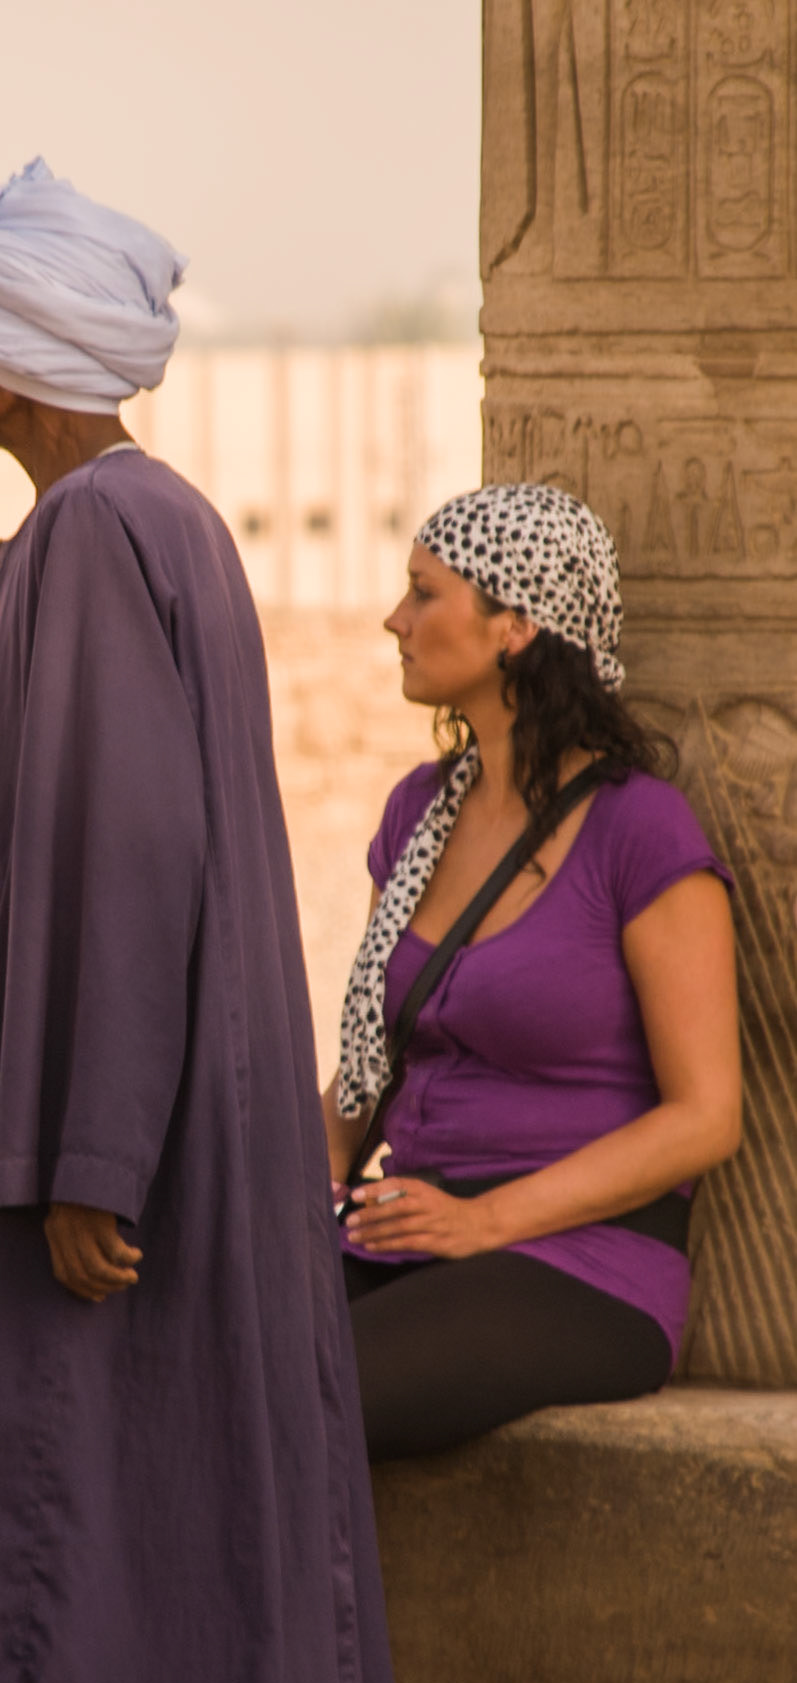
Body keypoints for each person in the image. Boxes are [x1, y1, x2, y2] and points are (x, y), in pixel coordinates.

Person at [0, 159, 427, 1683]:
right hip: (142, 1116)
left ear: (24, 356)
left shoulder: (105, 537)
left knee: (16, 1503)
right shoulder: (127, 524)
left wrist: (91, 1156)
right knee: (145, 1525)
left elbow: (128, 865)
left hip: (124, 1138)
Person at [324, 483, 742, 1464]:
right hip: (408, 1229)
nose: (395, 618)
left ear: (513, 625)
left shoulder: (639, 830)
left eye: (422, 594)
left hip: (580, 1263)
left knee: (304, 1388)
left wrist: (482, 1220)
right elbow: (364, 1060)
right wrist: (301, 1186)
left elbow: (704, 1114)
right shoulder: (415, 812)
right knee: (183, 1344)